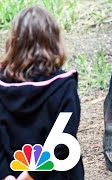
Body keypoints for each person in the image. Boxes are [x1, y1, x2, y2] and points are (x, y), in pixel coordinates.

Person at [0, 6, 84, 180]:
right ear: (53, 41)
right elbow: (61, 142)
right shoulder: (64, 86)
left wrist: (6, 175)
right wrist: (30, 175)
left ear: (14, 42)